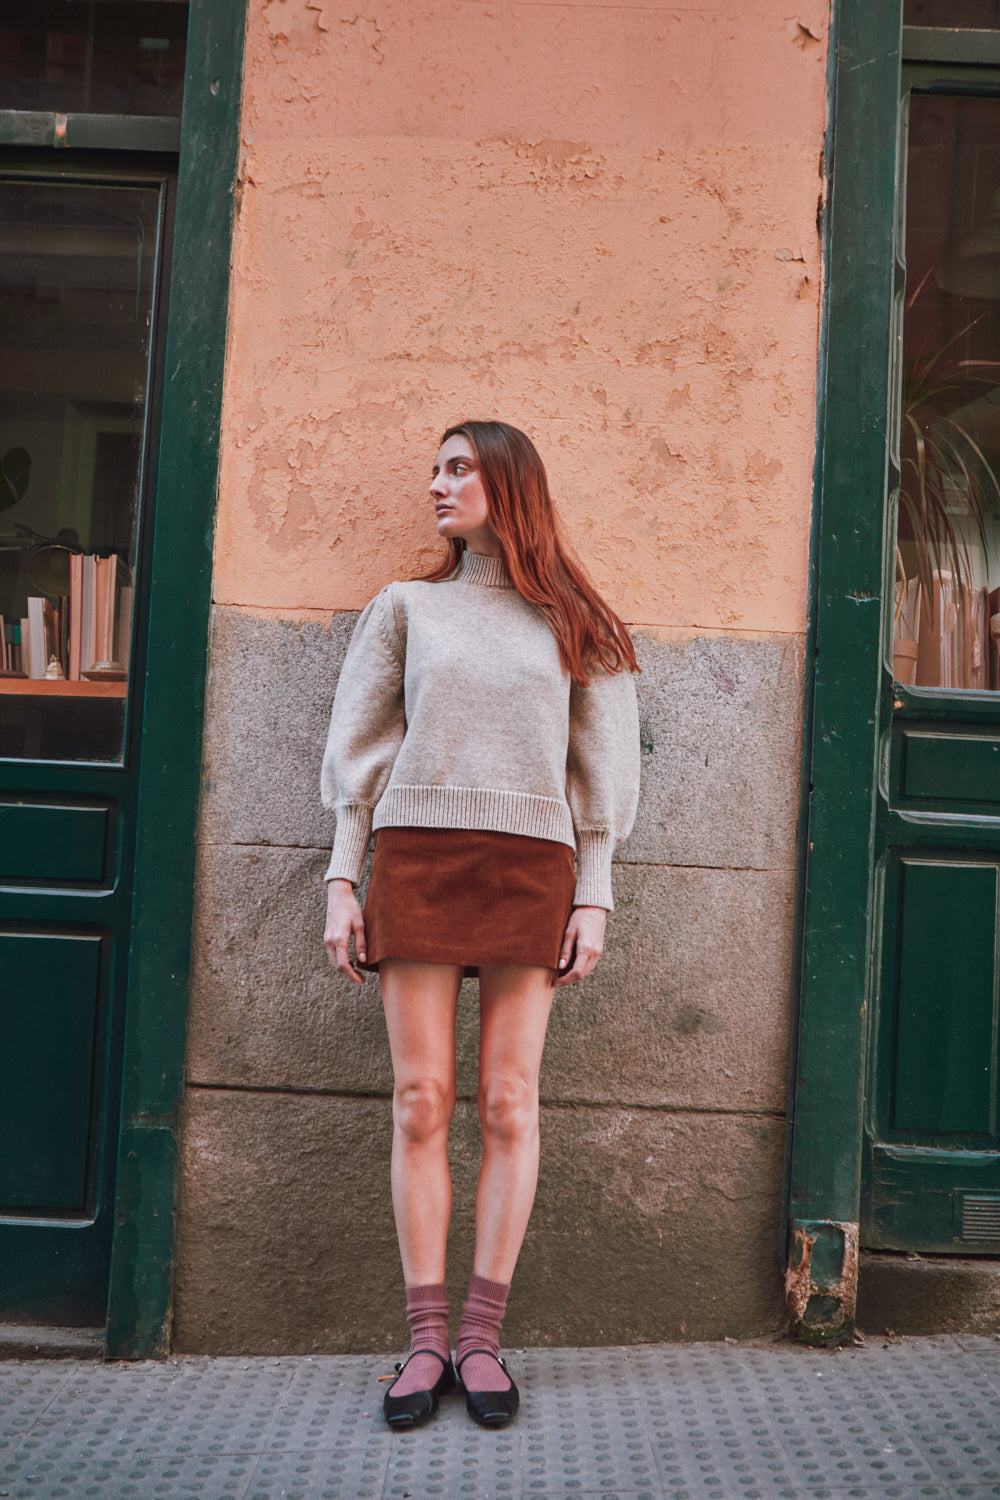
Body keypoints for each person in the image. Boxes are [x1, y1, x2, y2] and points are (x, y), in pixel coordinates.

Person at [321, 420, 640, 1429]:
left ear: (509, 484)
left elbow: (601, 768)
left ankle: (481, 1341)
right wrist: (342, 877)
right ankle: (424, 1344)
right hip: (417, 857)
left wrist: (595, 890)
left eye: (458, 468)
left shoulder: (576, 618)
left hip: (531, 866)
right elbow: (360, 748)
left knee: (508, 1103)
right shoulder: (405, 608)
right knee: (421, 1101)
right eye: (435, 468)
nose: (437, 484)